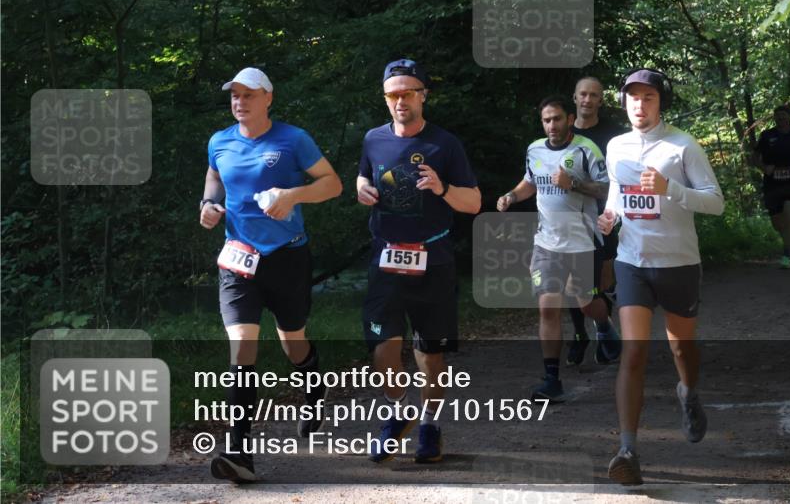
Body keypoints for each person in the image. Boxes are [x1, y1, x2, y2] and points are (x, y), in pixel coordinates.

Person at [200, 67, 343, 483]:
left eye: (248, 95)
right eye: (234, 96)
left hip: (287, 258)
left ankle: (312, 382)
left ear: (268, 98)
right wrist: (209, 203)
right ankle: (239, 450)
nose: (239, 102)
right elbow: (213, 175)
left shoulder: (293, 139)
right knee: (243, 347)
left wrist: (292, 195)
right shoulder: (219, 141)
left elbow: (332, 184)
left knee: (292, 340)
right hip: (238, 261)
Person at [596, 68, 724, 486]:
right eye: (632, 97)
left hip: (679, 263)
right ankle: (627, 450)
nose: (639, 104)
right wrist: (610, 216)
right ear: (623, 102)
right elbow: (617, 189)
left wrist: (670, 188)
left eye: (647, 97)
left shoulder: (683, 146)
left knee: (681, 350)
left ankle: (687, 391)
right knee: (633, 352)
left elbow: (715, 203)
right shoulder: (615, 146)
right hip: (632, 261)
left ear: (660, 101)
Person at [357, 58, 481, 464]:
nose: (400, 100)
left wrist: (443, 188)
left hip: (433, 258)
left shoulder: (444, 144)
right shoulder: (373, 139)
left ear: (423, 95)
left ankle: (430, 423)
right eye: (393, 94)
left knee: (430, 353)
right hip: (386, 257)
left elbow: (474, 203)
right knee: (382, 348)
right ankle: (398, 411)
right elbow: (363, 176)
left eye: (408, 92)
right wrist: (362, 188)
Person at [497, 95, 621, 402]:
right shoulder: (534, 149)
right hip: (546, 243)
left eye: (557, 119)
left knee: (585, 303)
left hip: (581, 242)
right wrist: (512, 196)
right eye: (546, 120)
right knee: (547, 307)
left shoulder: (585, 149)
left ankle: (603, 324)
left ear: (569, 119)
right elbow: (530, 182)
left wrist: (574, 184)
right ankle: (551, 379)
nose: (551, 125)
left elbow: (607, 189)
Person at [566, 77, 627, 365]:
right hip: (568, 218)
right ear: (574, 98)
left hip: (607, 216)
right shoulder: (560, 132)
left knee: (600, 281)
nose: (587, 100)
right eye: (583, 94)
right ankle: (580, 334)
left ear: (601, 100)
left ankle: (604, 331)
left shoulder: (615, 136)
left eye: (593, 95)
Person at [752, 105, 790, 269]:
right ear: (775, 118)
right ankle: (789, 239)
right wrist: (764, 168)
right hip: (772, 183)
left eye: (784, 116)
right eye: (778, 116)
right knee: (778, 224)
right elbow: (755, 157)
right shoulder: (767, 135)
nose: (781, 119)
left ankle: (786, 254)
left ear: (789, 117)